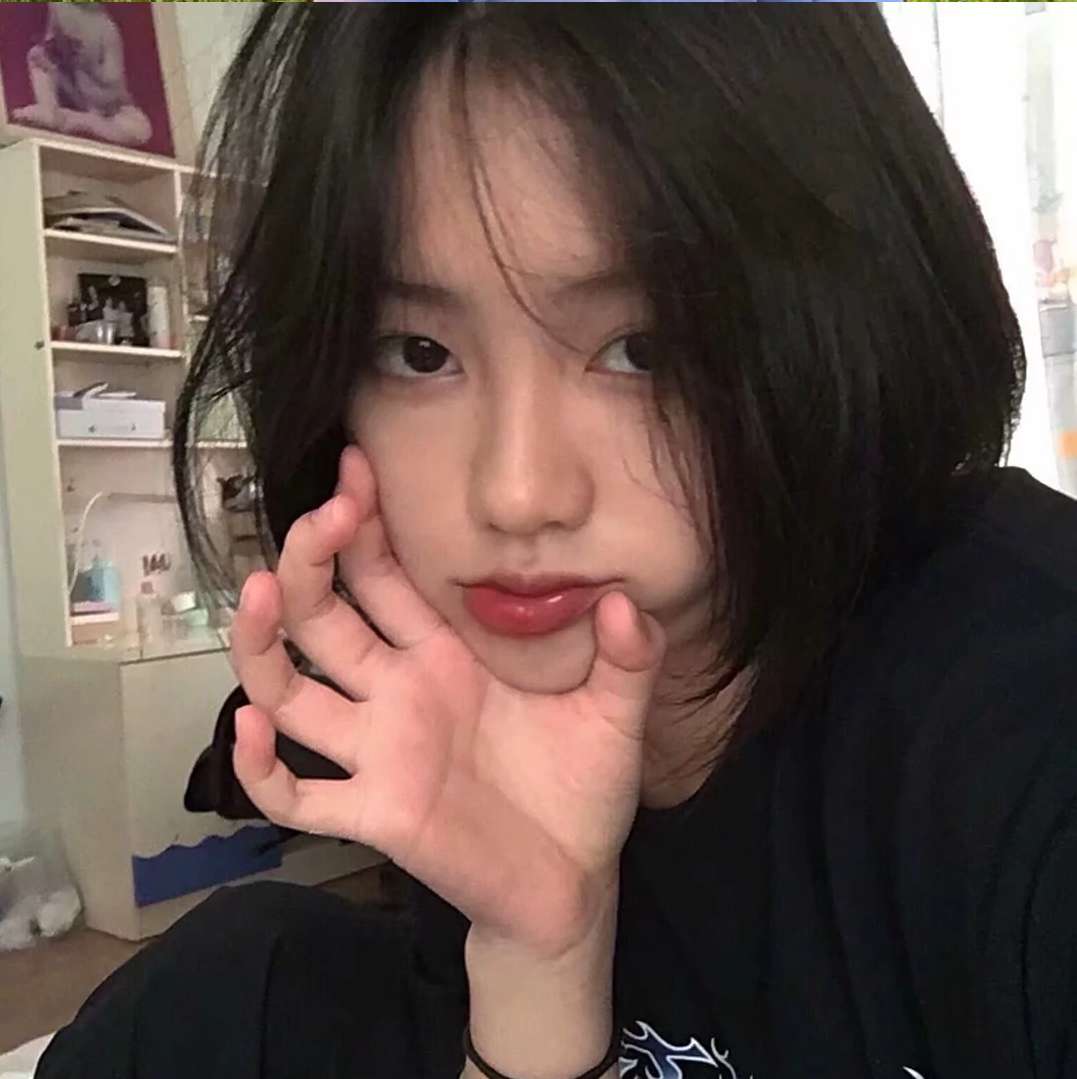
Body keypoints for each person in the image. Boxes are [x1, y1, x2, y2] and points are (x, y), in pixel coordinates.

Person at [38, 5, 1077, 1079]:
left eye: (643, 348)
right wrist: (539, 969)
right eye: (420, 352)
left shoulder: (1017, 715)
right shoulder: (466, 727)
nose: (516, 492)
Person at [12, 4, 152, 147]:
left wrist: (88, 66)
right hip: (74, 88)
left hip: (108, 106)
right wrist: (54, 53)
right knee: (36, 55)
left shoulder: (107, 29)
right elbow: (49, 41)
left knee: (140, 130)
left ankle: (80, 121)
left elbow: (113, 84)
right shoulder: (58, 7)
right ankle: (49, 109)